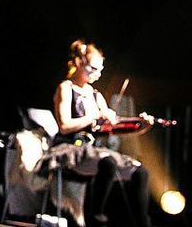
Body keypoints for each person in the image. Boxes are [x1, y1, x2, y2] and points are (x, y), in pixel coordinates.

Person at [50, 40, 151, 227]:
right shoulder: (66, 88)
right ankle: (96, 218)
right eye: (93, 69)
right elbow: (64, 126)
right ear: (80, 63)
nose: (97, 74)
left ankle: (143, 223)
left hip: (93, 153)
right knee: (108, 163)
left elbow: (114, 128)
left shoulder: (95, 94)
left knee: (140, 172)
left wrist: (141, 125)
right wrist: (95, 115)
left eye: (100, 70)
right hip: (70, 149)